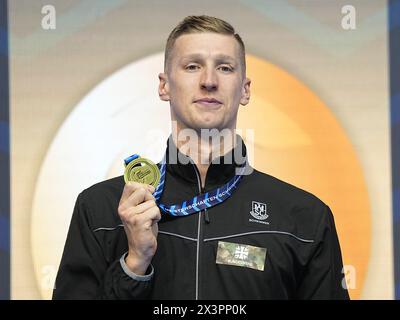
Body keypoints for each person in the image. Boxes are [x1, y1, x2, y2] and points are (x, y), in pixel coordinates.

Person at [53, 15, 349, 300]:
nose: (209, 81)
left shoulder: (304, 218)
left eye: (225, 68)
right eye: (192, 66)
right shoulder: (100, 211)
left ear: (245, 89)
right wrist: (133, 266)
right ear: (164, 85)